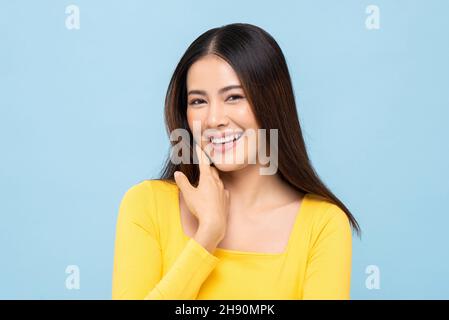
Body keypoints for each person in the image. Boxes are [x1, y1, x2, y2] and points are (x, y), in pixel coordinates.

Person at [112, 23, 360, 300]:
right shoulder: (147, 205)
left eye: (234, 97)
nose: (214, 119)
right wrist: (208, 234)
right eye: (197, 101)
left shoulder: (323, 224)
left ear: (272, 103)